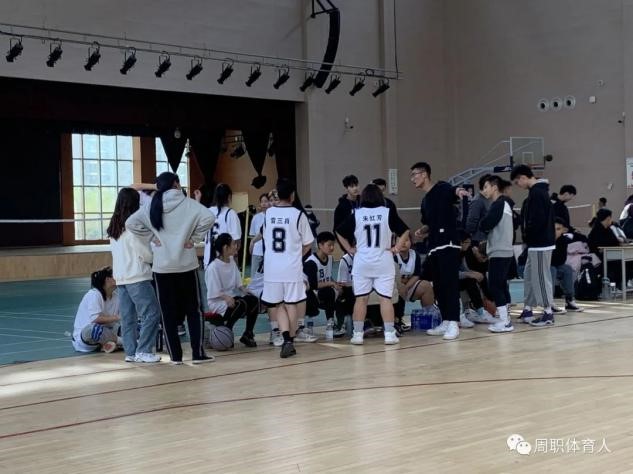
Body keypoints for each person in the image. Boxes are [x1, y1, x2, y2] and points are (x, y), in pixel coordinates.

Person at [126, 171, 215, 365]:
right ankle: (198, 354)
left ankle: (175, 356)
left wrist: (152, 237)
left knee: (167, 313)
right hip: (187, 265)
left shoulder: (152, 205)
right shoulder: (189, 204)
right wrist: (194, 238)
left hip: (162, 267)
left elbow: (130, 223)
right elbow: (209, 217)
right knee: (194, 311)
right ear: (176, 184)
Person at [335, 183, 410, 345]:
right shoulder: (387, 212)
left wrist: (349, 249)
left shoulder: (357, 213)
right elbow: (405, 231)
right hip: (383, 260)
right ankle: (389, 334)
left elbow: (339, 231)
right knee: (385, 298)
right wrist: (396, 248)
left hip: (362, 261)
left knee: (361, 299)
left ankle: (357, 335)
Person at [410, 162, 469, 340]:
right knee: (439, 285)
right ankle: (446, 320)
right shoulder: (425, 201)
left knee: (450, 284)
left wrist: (460, 191)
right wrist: (422, 230)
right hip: (433, 246)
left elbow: (454, 191)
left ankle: (454, 323)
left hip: (448, 244)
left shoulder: (442, 188)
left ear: (424, 174)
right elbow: (429, 222)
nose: (412, 179)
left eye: (414, 174)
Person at [262, 178, 314, 358]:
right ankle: (290, 340)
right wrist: (297, 254)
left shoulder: (268, 214)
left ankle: (285, 338)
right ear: (292, 195)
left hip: (272, 267)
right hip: (291, 267)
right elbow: (308, 242)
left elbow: (266, 237)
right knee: (291, 305)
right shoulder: (298, 215)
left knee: (279, 305)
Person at [107, 188, 161, 363]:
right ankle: (144, 350)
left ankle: (130, 352)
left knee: (127, 317)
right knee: (152, 313)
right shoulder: (133, 227)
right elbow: (144, 253)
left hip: (121, 278)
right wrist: (154, 257)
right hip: (137, 276)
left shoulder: (114, 228)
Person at [511, 164, 556, 327]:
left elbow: (537, 221)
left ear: (523, 177)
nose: (518, 185)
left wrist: (528, 235)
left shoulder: (537, 193)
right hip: (535, 244)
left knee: (540, 278)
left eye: (517, 182)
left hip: (541, 244)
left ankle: (548, 313)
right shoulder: (536, 192)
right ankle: (528, 309)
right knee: (529, 275)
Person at [205, 233, 260, 347]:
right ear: (226, 248)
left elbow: (238, 284)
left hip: (232, 298)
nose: (236, 246)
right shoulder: (213, 267)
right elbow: (214, 292)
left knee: (253, 300)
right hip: (217, 301)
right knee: (240, 304)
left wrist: (245, 290)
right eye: (234, 244)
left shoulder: (231, 261)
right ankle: (227, 332)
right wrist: (226, 297)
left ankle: (248, 334)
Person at [479, 175, 515, 333]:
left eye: (486, 187)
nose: (484, 190)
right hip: (505, 250)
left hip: (499, 251)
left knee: (494, 285)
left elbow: (486, 223)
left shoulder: (499, 204)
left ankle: (505, 321)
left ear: (494, 187)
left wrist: (482, 222)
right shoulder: (505, 204)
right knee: (501, 285)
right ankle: (506, 319)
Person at [393, 233, 439, 333]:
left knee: (426, 286)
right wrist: (401, 286)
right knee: (397, 289)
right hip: (394, 287)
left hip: (408, 286)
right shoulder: (392, 256)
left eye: (406, 240)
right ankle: (397, 320)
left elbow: (416, 275)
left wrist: (406, 287)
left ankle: (429, 317)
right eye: (400, 241)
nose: (403, 243)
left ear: (411, 242)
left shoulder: (415, 255)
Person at [304, 231, 345, 337]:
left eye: (333, 245)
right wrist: (331, 283)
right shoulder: (311, 262)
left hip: (323, 292)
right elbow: (313, 285)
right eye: (329, 245)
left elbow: (328, 277)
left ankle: (340, 324)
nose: (332, 248)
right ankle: (329, 324)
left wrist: (336, 285)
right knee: (329, 291)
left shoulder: (330, 258)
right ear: (320, 245)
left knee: (344, 291)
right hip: (311, 295)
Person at [72, 266, 120, 353]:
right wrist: (118, 317)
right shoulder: (94, 294)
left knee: (132, 326)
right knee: (93, 329)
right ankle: (124, 342)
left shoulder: (116, 297)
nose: (119, 277)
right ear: (107, 279)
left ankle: (107, 344)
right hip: (86, 339)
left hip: (108, 331)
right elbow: (96, 319)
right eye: (115, 275)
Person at [203, 183, 242, 268]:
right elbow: (236, 242)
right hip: (224, 261)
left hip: (208, 259)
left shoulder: (207, 211)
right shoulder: (230, 213)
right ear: (229, 197)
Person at [551, 218, 583, 312]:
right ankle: (549, 301)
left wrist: (553, 260)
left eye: (558, 229)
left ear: (563, 230)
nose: (555, 232)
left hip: (555, 264)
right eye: (553, 229)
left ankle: (569, 300)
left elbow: (562, 259)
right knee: (552, 270)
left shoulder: (563, 241)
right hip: (540, 266)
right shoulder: (545, 239)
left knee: (567, 269)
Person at [465, 174, 492, 244]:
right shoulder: (477, 200)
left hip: (485, 239)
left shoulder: (486, 199)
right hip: (478, 240)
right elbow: (472, 220)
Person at [248, 193, 270, 279]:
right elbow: (252, 235)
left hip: (268, 251)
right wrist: (252, 246)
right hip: (257, 251)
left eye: (266, 201)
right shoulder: (255, 217)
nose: (264, 204)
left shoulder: (273, 217)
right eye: (262, 202)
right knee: (254, 276)